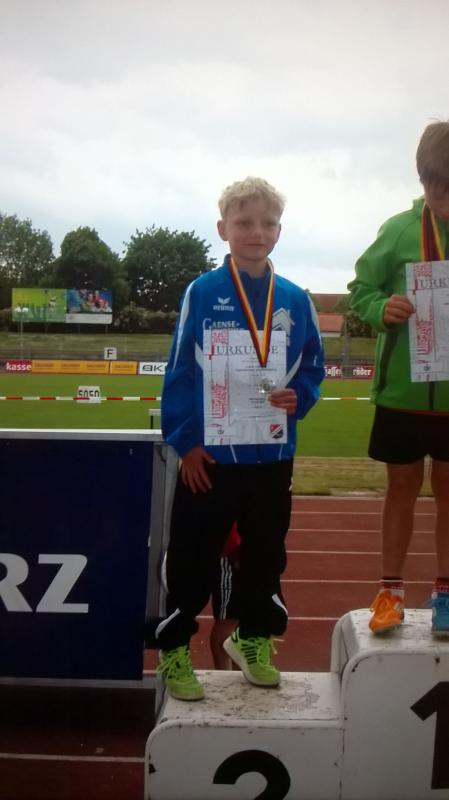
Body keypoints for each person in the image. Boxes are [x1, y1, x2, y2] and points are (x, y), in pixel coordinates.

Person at [147, 176, 324, 701]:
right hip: (211, 457)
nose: (256, 232)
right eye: (244, 222)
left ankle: (253, 637)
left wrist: (300, 396)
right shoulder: (202, 292)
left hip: (271, 454)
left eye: (268, 223)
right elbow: (179, 370)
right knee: (192, 556)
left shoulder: (295, 298)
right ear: (223, 228)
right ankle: (175, 647)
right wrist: (185, 443)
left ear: (279, 231)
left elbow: (313, 367)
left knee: (266, 555)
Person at [348, 121, 449, 638]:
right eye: (439, 189)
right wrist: (381, 307)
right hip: (402, 393)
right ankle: (389, 592)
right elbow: (360, 289)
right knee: (402, 487)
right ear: (423, 179)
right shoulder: (398, 230)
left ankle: (446, 594)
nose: (446, 201)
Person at [209, 522, 241, 670]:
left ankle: (238, 673)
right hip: (229, 558)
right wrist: (233, 550)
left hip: (244, 554)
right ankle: (224, 675)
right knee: (228, 621)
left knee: (242, 622)